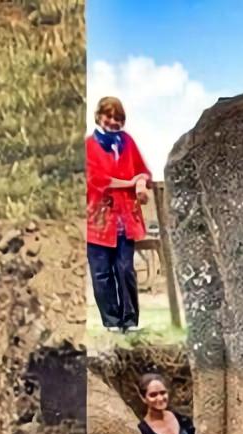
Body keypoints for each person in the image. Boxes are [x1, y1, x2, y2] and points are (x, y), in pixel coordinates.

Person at [86, 96, 152, 332]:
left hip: (126, 219)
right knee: (102, 273)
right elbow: (98, 181)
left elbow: (142, 171)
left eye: (118, 118)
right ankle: (111, 322)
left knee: (125, 269)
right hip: (98, 221)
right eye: (109, 116)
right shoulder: (88, 146)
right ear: (99, 116)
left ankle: (130, 320)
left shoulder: (128, 142)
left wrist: (142, 184)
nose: (113, 121)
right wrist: (130, 183)